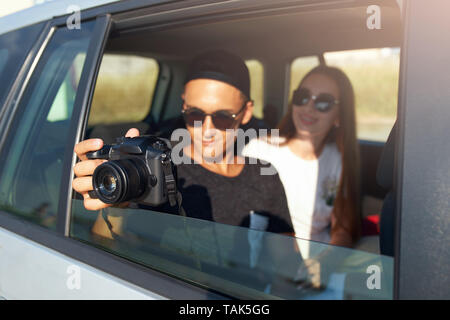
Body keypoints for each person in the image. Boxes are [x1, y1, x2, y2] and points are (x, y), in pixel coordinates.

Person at [72, 50, 294, 243]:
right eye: (195, 113)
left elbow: (285, 261)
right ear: (184, 105)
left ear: (246, 113)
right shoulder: (156, 170)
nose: (206, 129)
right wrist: (116, 202)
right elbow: (109, 248)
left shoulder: (265, 175)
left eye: (223, 117)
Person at [243, 65, 361, 250]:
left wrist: (325, 263)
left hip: (320, 262)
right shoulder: (259, 150)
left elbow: (342, 228)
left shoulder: (337, 159)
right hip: (270, 260)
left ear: (339, 116)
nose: (309, 107)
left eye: (323, 102)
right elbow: (245, 226)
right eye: (302, 97)